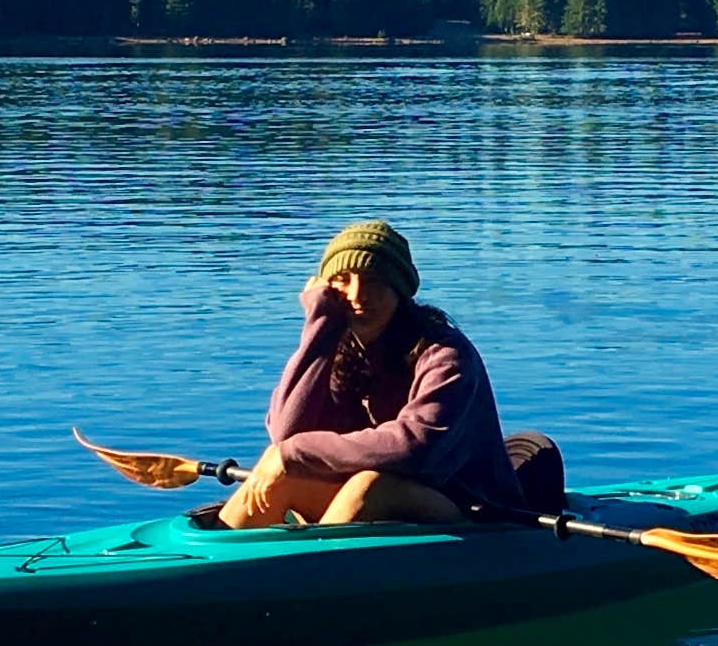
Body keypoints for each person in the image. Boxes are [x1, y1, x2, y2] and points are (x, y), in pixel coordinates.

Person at [215, 221, 537, 531]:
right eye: (343, 279)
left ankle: (308, 578)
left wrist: (293, 453)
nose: (357, 295)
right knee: (285, 476)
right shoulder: (339, 347)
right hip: (386, 504)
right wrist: (319, 328)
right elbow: (287, 433)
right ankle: (210, 567)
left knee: (370, 485)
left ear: (399, 289)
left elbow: (415, 449)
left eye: (373, 281)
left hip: (475, 514)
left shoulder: (445, 354)